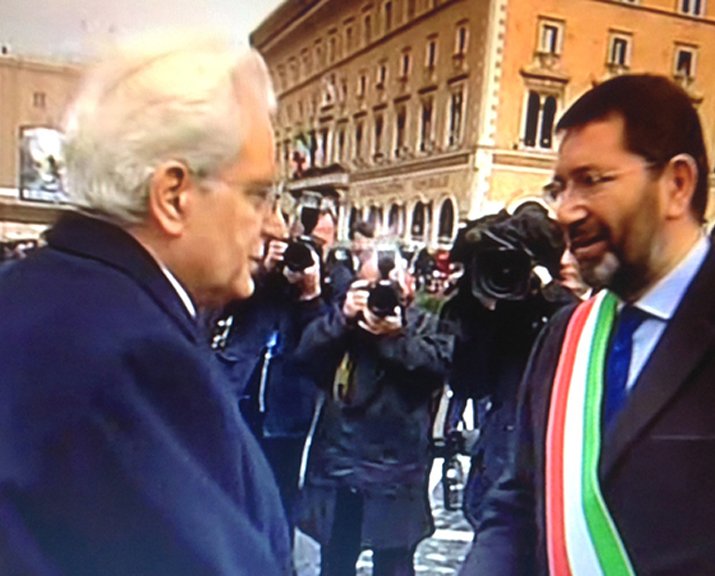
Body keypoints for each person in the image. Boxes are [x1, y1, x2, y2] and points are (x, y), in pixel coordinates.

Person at [460, 74, 715, 576]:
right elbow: (519, 503)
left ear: (677, 185)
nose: (565, 211)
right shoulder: (563, 337)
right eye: (560, 187)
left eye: (592, 180)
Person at [0, 34, 293, 575]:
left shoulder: (36, 294)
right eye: (256, 194)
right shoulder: (132, 357)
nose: (274, 224)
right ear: (174, 195)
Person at [295, 256, 453, 576]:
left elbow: (436, 369)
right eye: (371, 288)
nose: (381, 299)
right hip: (341, 466)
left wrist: (394, 338)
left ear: (409, 285)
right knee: (336, 564)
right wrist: (342, 319)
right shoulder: (343, 327)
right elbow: (305, 358)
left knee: (394, 565)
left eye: (390, 288)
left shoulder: (423, 325)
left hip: (396, 472)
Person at [440, 204, 577, 528]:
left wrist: (553, 298)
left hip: (560, 480)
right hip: (500, 476)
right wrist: (482, 311)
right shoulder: (503, 315)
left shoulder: (582, 313)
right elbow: (469, 383)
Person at [214, 199, 331, 548]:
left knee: (280, 492)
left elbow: (320, 344)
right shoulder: (260, 282)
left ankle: (278, 559)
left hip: (287, 407)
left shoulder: (319, 290)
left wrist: (310, 293)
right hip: (241, 394)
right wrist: (263, 270)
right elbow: (229, 304)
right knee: (234, 485)